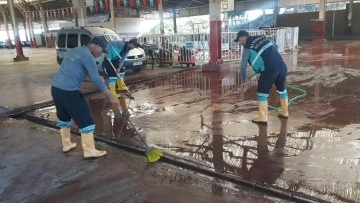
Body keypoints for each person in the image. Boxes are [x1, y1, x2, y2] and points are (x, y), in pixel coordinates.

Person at [51, 37, 120, 158]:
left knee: (64, 117)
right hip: (69, 91)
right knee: (85, 119)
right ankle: (89, 151)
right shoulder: (88, 55)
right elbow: (95, 77)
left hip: (56, 89)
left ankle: (66, 144)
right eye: (102, 50)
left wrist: (96, 79)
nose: (102, 54)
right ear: (96, 46)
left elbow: (75, 73)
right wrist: (110, 95)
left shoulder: (74, 51)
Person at [234, 30, 289, 124]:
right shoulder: (263, 37)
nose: (240, 43)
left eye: (239, 40)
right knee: (282, 89)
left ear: (243, 37)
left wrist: (243, 79)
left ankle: (263, 116)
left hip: (269, 69)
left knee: (261, 92)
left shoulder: (247, 48)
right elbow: (276, 46)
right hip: (281, 65)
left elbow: (243, 67)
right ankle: (284, 112)